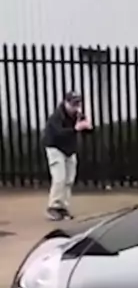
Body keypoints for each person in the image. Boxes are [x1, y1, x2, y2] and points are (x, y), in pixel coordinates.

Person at [42, 91, 92, 221]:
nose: (75, 107)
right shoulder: (56, 117)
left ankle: (63, 207)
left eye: (78, 104)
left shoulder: (78, 116)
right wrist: (76, 129)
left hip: (69, 149)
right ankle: (53, 207)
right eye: (73, 104)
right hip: (55, 147)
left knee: (69, 179)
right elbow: (59, 133)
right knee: (59, 178)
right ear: (66, 103)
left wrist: (87, 127)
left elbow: (85, 131)